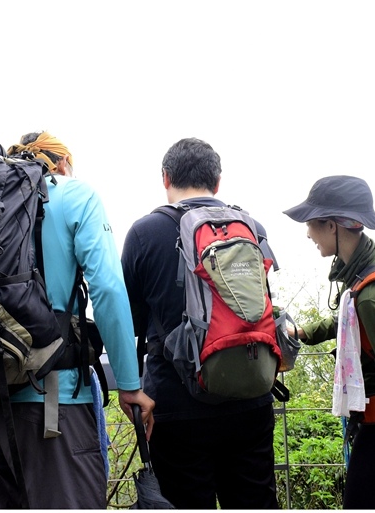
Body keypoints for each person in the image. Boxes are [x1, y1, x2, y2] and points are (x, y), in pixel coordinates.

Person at [0, 131, 154, 509]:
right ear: (60, 163)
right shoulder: (75, 195)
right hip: (49, 402)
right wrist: (128, 384)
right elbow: (107, 288)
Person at [121, 137, 279, 509]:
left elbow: (130, 320)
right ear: (218, 182)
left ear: (165, 178)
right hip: (250, 396)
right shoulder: (250, 227)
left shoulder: (145, 233)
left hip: (176, 406)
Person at [283, 175, 375, 509]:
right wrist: (305, 333)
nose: (308, 233)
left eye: (311, 224)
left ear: (332, 225)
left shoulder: (372, 295)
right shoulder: (369, 267)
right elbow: (351, 320)